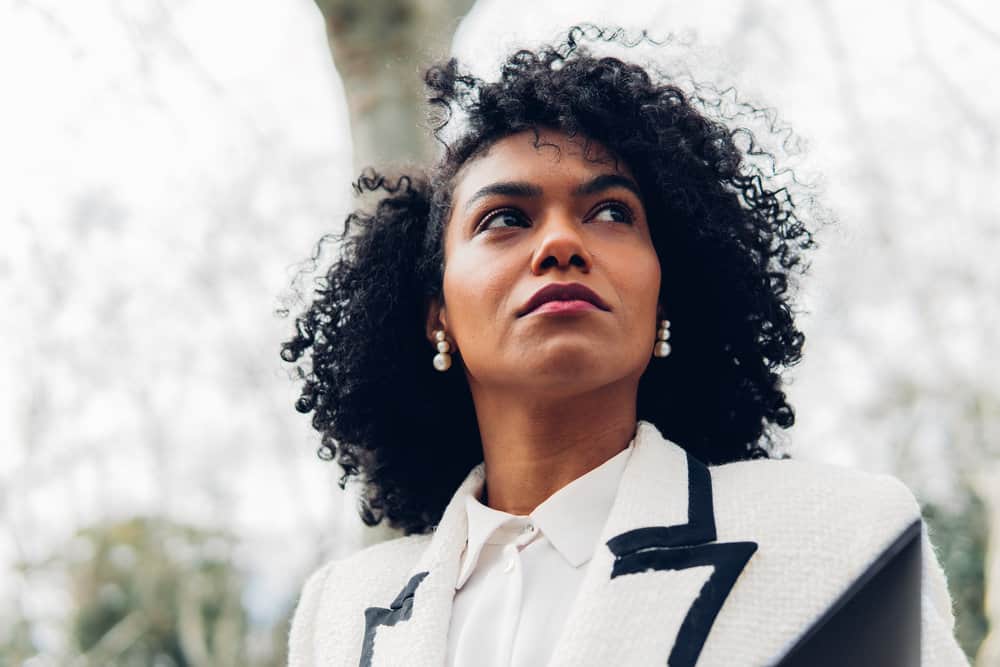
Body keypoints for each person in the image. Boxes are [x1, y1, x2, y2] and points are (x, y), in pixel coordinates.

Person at [280, 26, 968, 667]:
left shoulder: (840, 536)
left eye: (611, 212)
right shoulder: (339, 610)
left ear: (665, 295)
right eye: (504, 219)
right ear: (438, 317)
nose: (560, 244)